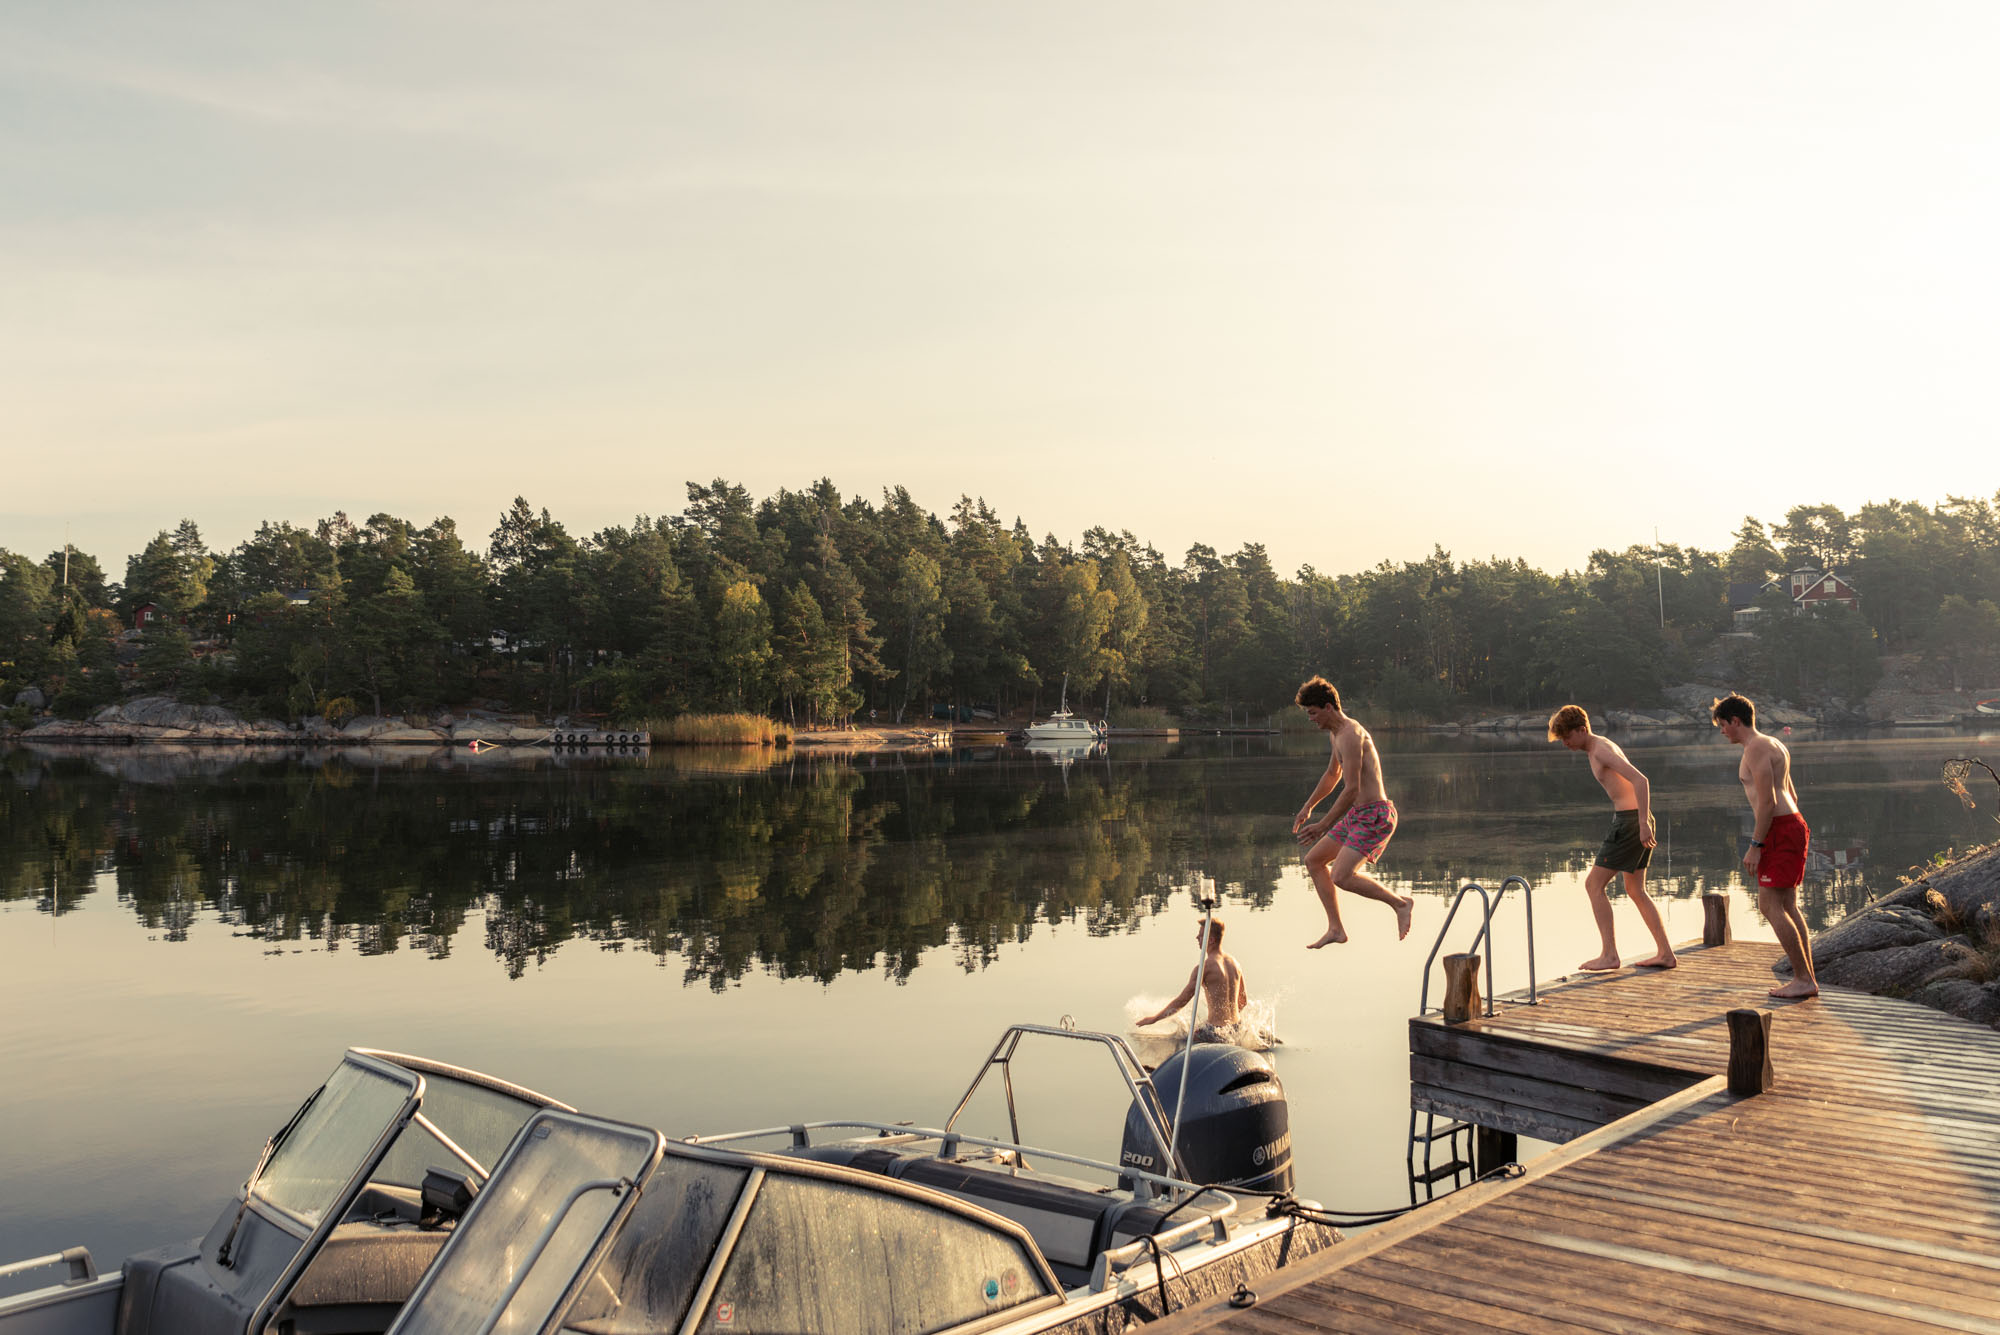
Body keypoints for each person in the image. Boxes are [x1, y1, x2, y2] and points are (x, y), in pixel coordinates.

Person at [1547, 705, 1676, 971]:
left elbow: (1641, 780)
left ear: (1581, 729)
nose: (1565, 743)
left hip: (1630, 822)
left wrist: (1642, 823)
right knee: (1635, 890)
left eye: (1567, 737)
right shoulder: (1598, 747)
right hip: (1634, 819)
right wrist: (1643, 821)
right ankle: (1665, 954)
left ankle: (1609, 955)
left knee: (1593, 885)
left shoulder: (1600, 750)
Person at [1291, 676, 1414, 947]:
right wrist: (1308, 806)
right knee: (1314, 861)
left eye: (1313, 713)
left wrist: (1323, 825)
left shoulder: (1350, 734)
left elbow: (1351, 789)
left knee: (1341, 876)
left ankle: (1400, 903)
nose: (1310, 719)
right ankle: (1336, 929)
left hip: (1375, 816)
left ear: (1328, 707)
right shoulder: (1336, 734)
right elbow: (1332, 775)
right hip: (1358, 816)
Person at [1713, 693, 1818, 999]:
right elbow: (1791, 795)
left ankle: (1803, 979)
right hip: (1791, 823)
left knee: (1769, 905)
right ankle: (1807, 977)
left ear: (1735, 721)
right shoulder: (1774, 743)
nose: (1722, 731)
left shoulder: (1756, 748)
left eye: (1722, 725)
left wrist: (1756, 844)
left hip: (1779, 828)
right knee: (1787, 905)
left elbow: (1768, 802)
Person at [1136, 918, 1247, 1041]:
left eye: (1200, 935)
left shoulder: (1205, 967)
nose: (1197, 938)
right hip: (1236, 1028)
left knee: (1180, 1040)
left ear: (1210, 940)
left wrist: (1154, 1019)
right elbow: (1243, 1001)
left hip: (1215, 1031)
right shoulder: (1235, 964)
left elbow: (1182, 1000)